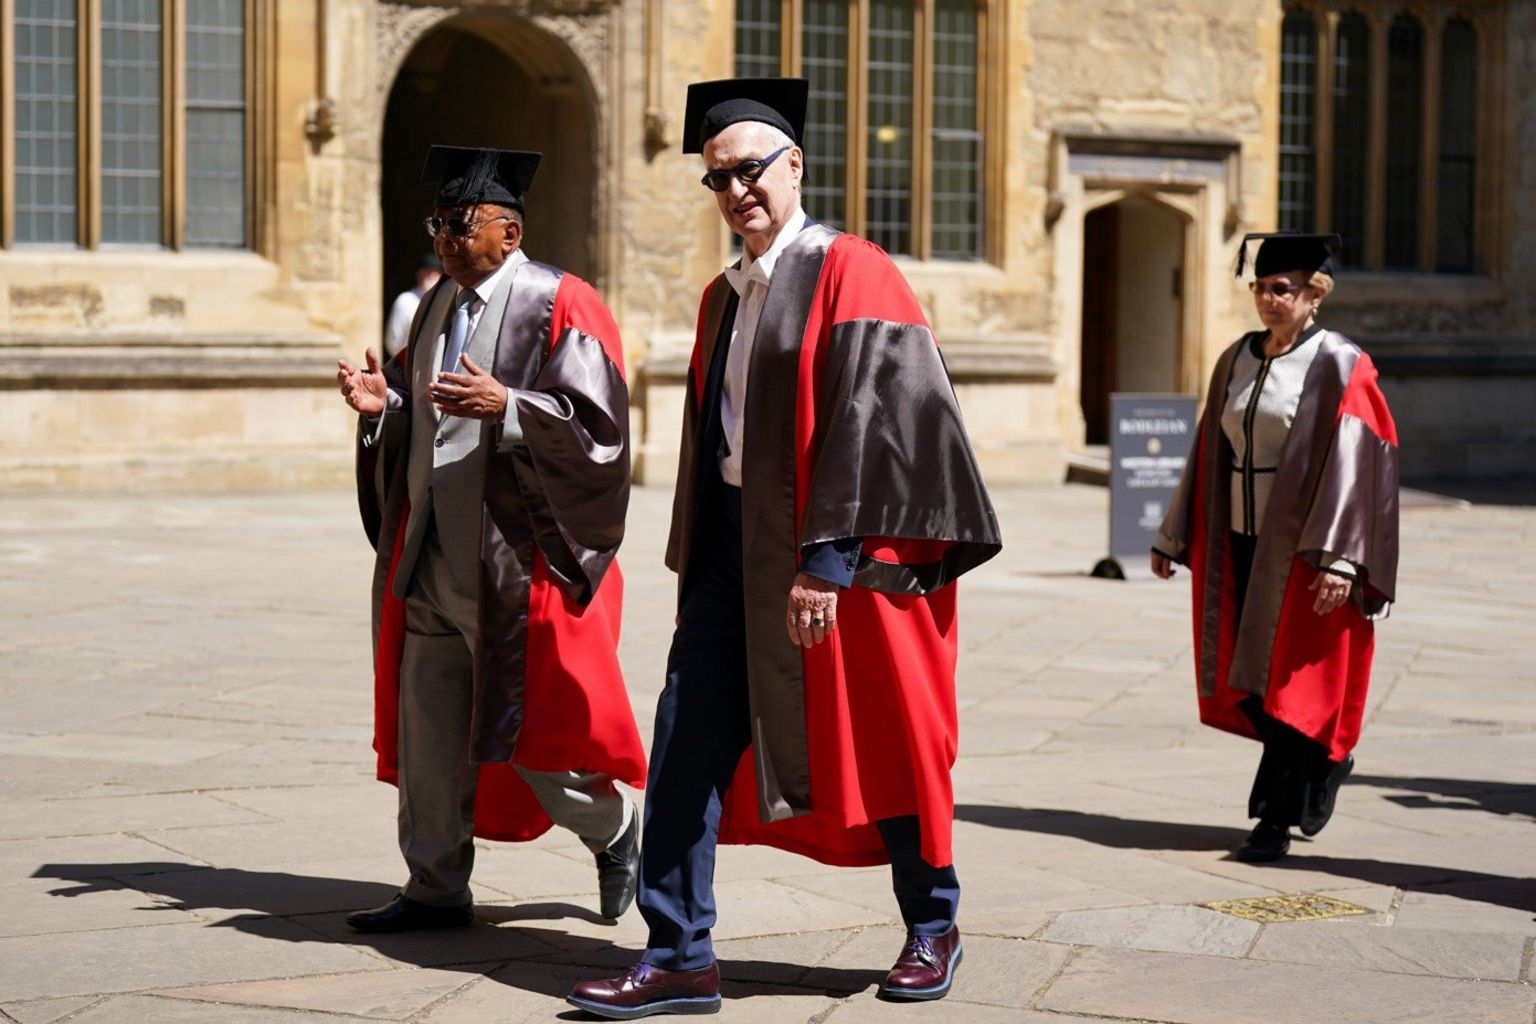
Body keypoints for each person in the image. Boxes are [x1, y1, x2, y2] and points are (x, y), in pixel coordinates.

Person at [569, 78, 1001, 1020]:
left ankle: (935, 923)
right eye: (718, 179)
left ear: (795, 164)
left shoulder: (853, 269)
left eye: (751, 170)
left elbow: (880, 420)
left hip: (839, 560)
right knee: (685, 744)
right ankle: (679, 952)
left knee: (882, 732)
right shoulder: (720, 298)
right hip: (732, 555)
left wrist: (828, 560)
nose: (736, 192)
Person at [335, 145, 646, 932]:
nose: (443, 237)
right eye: (437, 222)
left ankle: (616, 833)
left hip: (514, 566)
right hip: (430, 553)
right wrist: (386, 409)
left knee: (540, 742)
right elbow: (422, 405)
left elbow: (600, 430)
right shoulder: (439, 304)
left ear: (509, 232)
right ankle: (435, 885)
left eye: (460, 222)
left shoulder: (564, 303)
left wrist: (509, 404)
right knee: (430, 732)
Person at [1151, 232, 1399, 863]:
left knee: (1290, 681)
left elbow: (1359, 464)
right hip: (1238, 540)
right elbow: (1211, 444)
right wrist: (1175, 535)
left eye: (1281, 288)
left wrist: (1342, 556)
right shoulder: (1236, 357)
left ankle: (1274, 818)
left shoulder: (1344, 364)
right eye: (1261, 287)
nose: (1268, 298)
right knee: (1250, 681)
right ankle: (1322, 762)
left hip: (1305, 547)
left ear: (1314, 294)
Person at [384, 254, 442, 359]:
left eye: (435, 272)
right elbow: (393, 340)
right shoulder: (405, 300)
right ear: (419, 274)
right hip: (409, 366)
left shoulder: (445, 300)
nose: (431, 275)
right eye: (427, 271)